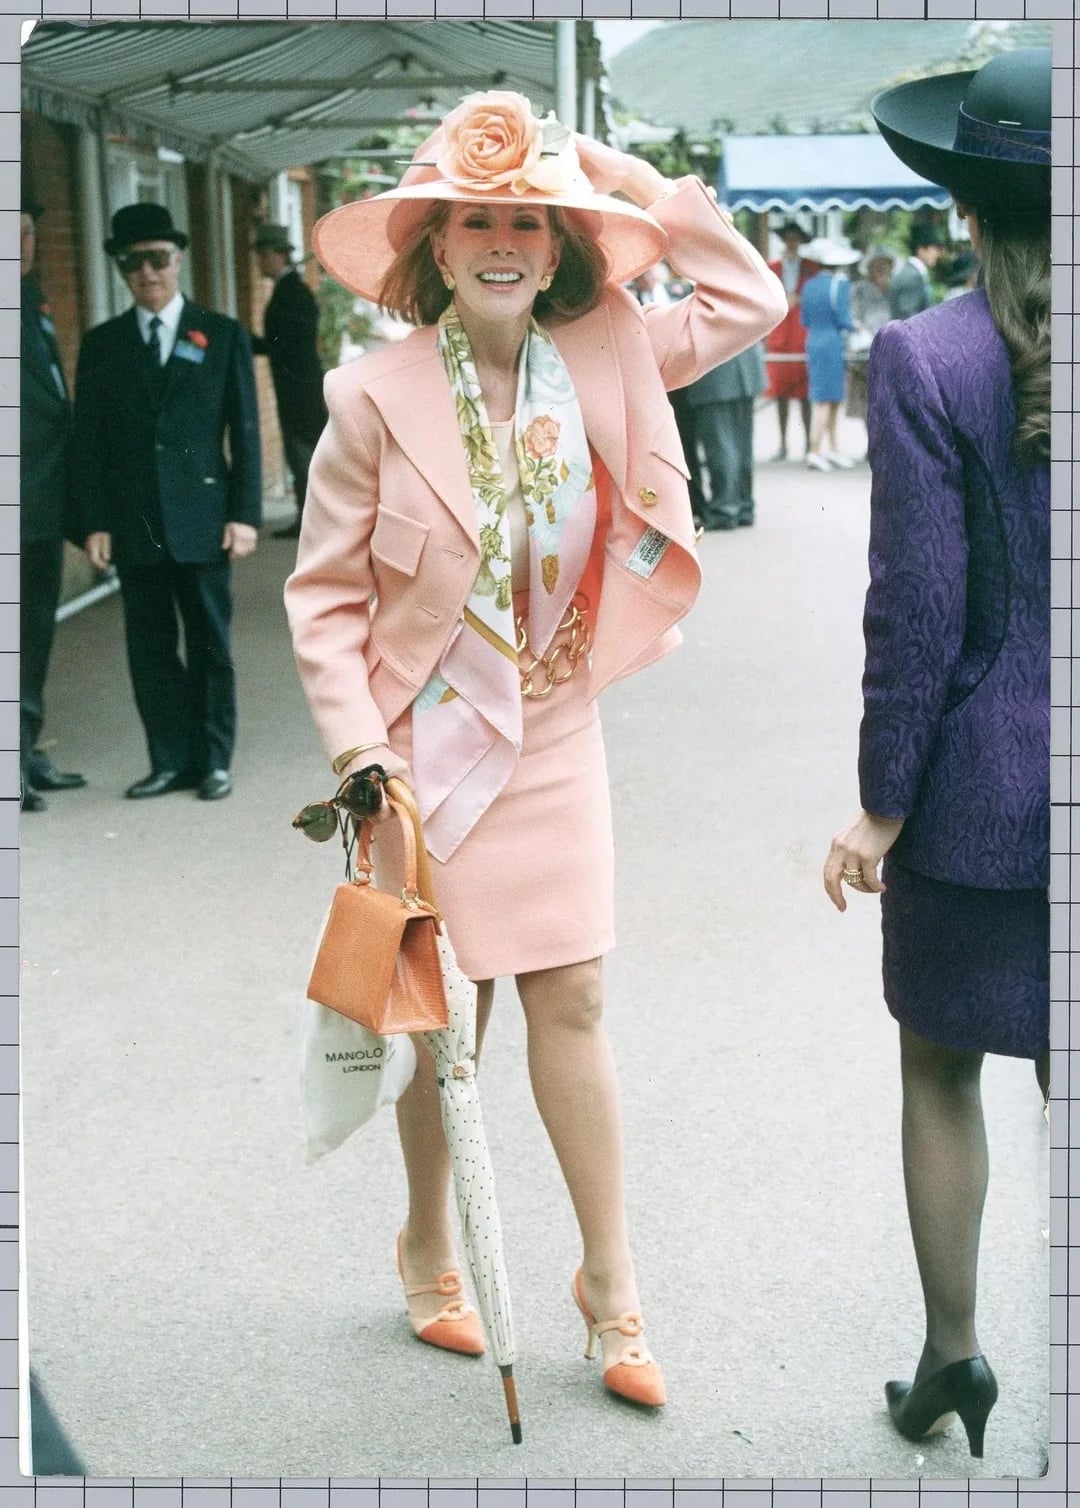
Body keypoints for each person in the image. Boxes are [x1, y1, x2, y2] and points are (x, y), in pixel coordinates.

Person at [285, 91, 786, 1408]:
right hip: (420, 751)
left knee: (573, 1002)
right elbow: (326, 601)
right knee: (444, 1027)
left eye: (527, 218)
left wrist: (629, 182)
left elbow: (748, 305)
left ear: (556, 242)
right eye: (476, 221)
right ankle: (429, 1243)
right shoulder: (371, 397)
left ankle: (610, 1286)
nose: (503, 240)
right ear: (436, 249)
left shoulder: (611, 345)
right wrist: (356, 756)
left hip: (553, 731)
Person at [823, 47, 1051, 1458]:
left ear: (959, 208)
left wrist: (877, 812)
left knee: (940, 1070)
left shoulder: (927, 356)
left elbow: (913, 617)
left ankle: (952, 1361)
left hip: (981, 799)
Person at [73, 203, 262, 801]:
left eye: (158, 259)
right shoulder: (103, 344)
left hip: (204, 520)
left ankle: (213, 762)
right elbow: (89, 441)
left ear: (178, 259)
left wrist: (244, 514)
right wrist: (95, 522)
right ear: (121, 270)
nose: (147, 273)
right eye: (133, 263)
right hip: (135, 525)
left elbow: (246, 431)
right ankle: (169, 760)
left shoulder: (222, 333)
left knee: (210, 646)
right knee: (149, 650)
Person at [19, 193, 85, 813]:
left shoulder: (31, 304)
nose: (21, 241)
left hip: (39, 511)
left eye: (29, 230)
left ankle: (23, 748)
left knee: (33, 637)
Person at [250, 223, 328, 540]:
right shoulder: (289, 290)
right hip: (297, 386)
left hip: (300, 388)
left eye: (261, 256)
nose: (258, 263)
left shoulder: (293, 292)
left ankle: (312, 523)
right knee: (301, 456)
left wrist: (247, 342)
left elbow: (287, 344)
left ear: (274, 255)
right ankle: (308, 520)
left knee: (304, 456)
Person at [680, 341, 767, 529]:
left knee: (720, 445)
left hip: (716, 372)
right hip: (746, 367)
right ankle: (743, 505)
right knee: (741, 445)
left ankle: (724, 509)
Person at [799, 237, 861, 472]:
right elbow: (844, 319)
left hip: (814, 340)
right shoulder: (841, 285)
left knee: (826, 397)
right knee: (828, 399)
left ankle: (830, 448)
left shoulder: (808, 285)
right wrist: (858, 327)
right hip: (833, 343)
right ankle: (815, 450)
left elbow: (804, 319)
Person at [765, 220, 818, 461]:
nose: (792, 243)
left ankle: (808, 444)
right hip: (779, 334)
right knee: (780, 395)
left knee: (805, 394)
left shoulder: (811, 269)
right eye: (788, 239)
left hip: (801, 333)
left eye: (796, 239)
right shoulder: (771, 268)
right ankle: (783, 444)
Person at [846, 245, 896, 425]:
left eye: (885, 265)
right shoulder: (859, 288)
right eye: (877, 265)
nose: (881, 269)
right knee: (866, 401)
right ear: (868, 268)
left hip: (891, 350)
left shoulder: (894, 289)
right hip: (866, 350)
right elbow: (853, 316)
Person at [888, 221, 945, 320]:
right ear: (921, 250)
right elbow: (908, 318)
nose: (938, 254)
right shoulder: (912, 276)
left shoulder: (913, 273)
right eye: (935, 249)